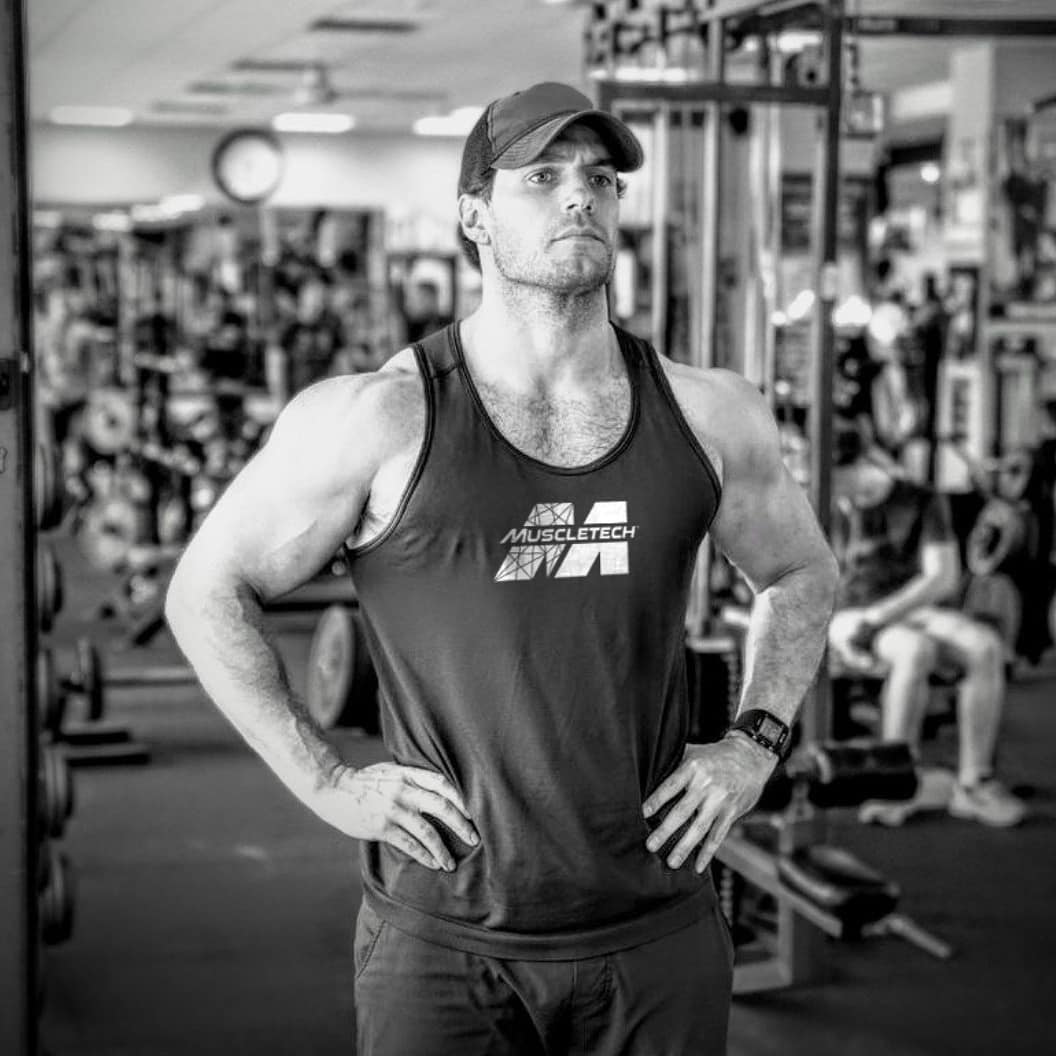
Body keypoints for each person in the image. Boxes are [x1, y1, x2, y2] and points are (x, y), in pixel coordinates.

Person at [165, 81, 838, 1055]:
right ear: (474, 214)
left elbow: (803, 575)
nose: (583, 198)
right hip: (441, 946)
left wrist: (754, 743)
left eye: (602, 179)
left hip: (655, 928)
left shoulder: (711, 414)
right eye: (544, 176)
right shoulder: (379, 418)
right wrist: (326, 782)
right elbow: (204, 592)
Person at [828, 419, 1027, 828]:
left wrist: (879, 617)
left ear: (860, 464)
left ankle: (974, 784)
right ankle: (893, 783)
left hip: (896, 610)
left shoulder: (918, 498)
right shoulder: (821, 501)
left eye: (839, 475)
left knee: (985, 646)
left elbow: (942, 576)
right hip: (846, 613)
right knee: (914, 650)